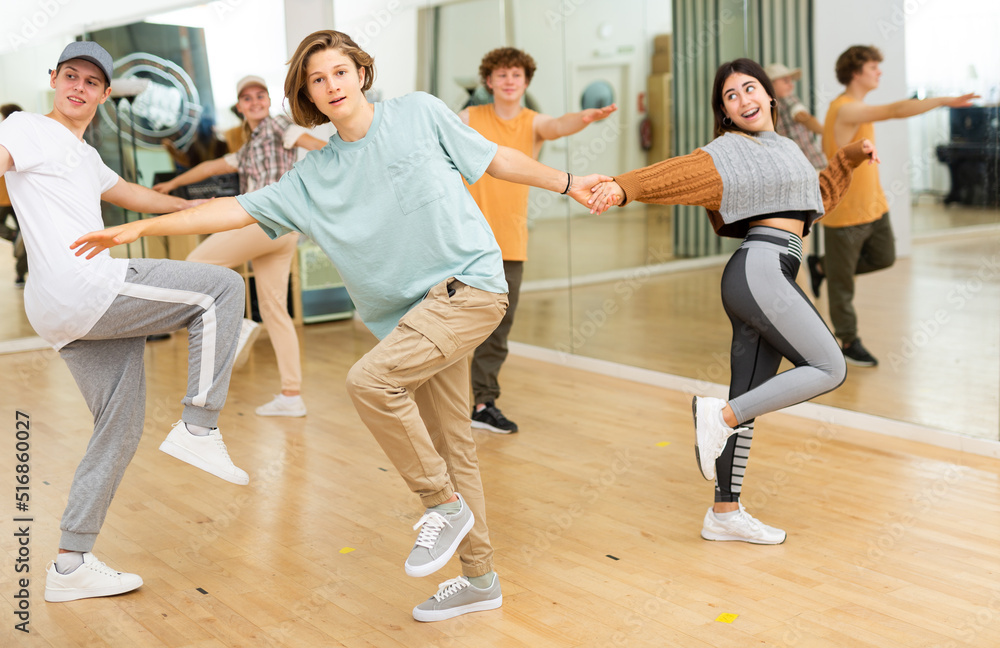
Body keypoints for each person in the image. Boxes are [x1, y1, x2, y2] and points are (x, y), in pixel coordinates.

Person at [72, 30, 611, 621]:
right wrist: (140, 229)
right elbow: (237, 209)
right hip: (409, 320)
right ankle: (480, 577)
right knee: (456, 446)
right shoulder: (313, 177)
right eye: (317, 79)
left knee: (371, 383)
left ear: (361, 72)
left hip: (468, 288)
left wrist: (568, 182)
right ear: (308, 95)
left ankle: (443, 506)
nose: (331, 86)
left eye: (339, 72)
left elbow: (495, 158)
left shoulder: (419, 113)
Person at [588, 58, 878, 545]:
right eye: (730, 95)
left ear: (770, 98)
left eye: (750, 89)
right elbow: (678, 173)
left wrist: (846, 159)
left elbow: (814, 201)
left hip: (770, 271)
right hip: (759, 269)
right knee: (830, 366)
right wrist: (623, 188)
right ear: (725, 112)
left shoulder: (785, 148)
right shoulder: (729, 152)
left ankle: (724, 512)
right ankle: (716, 417)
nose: (743, 100)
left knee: (748, 398)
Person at [0, 41, 250, 603]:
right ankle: (200, 425)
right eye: (70, 76)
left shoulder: (83, 156)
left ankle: (70, 564)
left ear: (105, 95)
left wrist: (195, 204)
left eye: (91, 82)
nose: (78, 87)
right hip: (86, 283)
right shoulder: (25, 128)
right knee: (222, 287)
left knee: (119, 426)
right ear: (53, 80)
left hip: (59, 312)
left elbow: (133, 195)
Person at [458, 47, 617, 434]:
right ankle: (439, 398)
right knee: (454, 324)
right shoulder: (468, 118)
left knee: (498, 325)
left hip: (509, 242)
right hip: (463, 240)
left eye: (516, 75)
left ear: (525, 82)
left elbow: (559, 125)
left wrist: (586, 118)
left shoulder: (532, 123)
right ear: (489, 81)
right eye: (502, 74)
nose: (510, 81)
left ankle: (483, 402)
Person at [154, 75, 327, 417]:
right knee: (276, 309)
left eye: (260, 95)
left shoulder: (279, 126)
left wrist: (311, 150)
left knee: (195, 262)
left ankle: (237, 329)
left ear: (268, 100)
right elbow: (209, 167)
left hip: (266, 221)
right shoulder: (249, 146)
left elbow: (324, 148)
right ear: (239, 107)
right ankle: (292, 396)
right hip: (284, 231)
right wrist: (172, 182)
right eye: (247, 98)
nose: (254, 101)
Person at [810, 45, 977, 366]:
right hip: (845, 213)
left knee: (885, 257)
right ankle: (847, 340)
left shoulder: (853, 107)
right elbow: (896, 110)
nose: (879, 72)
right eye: (874, 67)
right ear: (856, 72)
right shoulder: (845, 109)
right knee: (843, 287)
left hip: (874, 204)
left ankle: (821, 267)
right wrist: (943, 100)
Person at [764, 63, 826, 170]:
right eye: (786, 81)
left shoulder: (768, 107)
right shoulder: (788, 100)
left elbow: (800, 114)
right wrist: (825, 131)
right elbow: (803, 117)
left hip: (798, 165)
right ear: (770, 84)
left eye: (791, 81)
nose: (791, 85)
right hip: (810, 163)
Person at [0, 103, 27, 286]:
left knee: (26, 238)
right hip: (7, 197)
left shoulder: (16, 137)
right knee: (24, 237)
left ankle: (20, 274)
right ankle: (16, 236)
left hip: (16, 197)